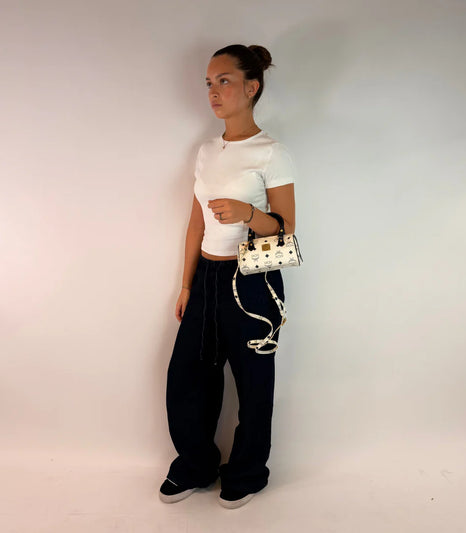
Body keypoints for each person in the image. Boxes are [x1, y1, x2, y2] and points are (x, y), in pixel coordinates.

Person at [159, 44, 297, 509]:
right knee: (188, 376)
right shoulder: (205, 151)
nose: (213, 92)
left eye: (224, 81)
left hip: (252, 279)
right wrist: (186, 285)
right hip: (206, 278)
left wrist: (247, 213)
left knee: (254, 382)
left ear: (251, 87)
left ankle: (248, 473)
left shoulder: (272, 152)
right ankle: (196, 466)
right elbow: (195, 224)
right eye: (208, 83)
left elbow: (286, 229)